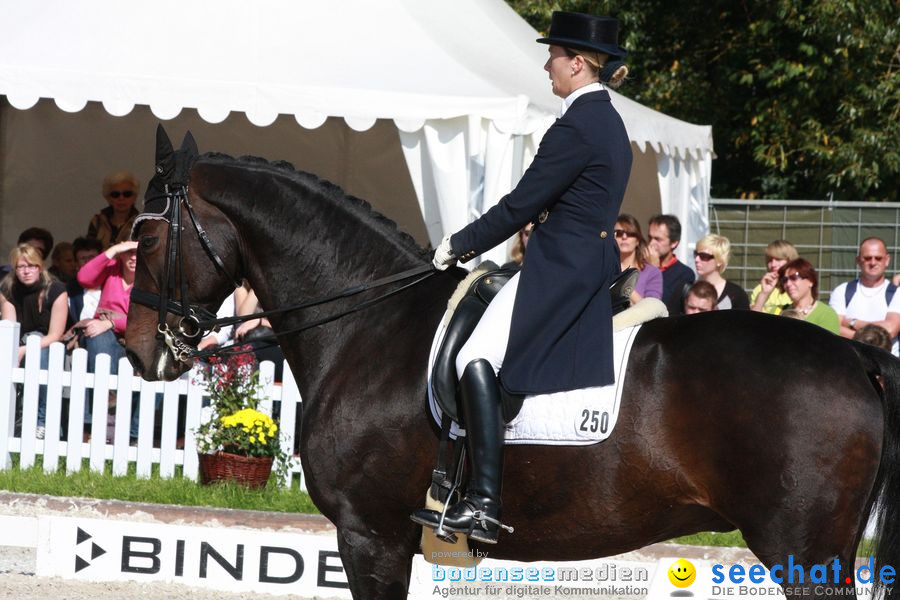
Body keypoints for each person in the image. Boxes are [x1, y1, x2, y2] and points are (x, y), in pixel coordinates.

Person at [411, 11, 631, 544]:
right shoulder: (609, 119)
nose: (546, 65)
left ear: (577, 63)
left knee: (473, 357)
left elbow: (519, 207)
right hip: (588, 261)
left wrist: (455, 245)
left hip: (560, 268)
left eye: (553, 55)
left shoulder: (578, 124)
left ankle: (483, 502)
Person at [0, 244, 68, 438]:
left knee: (42, 351)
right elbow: (8, 327)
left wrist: (25, 349)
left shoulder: (56, 289)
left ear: (40, 266)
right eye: (21, 267)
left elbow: (55, 334)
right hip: (19, 340)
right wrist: (18, 348)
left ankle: (42, 421)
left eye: (31, 265)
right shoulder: (7, 289)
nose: (26, 271)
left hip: (47, 343)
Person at [74, 240, 139, 438]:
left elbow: (147, 319)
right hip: (103, 331)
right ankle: (101, 412)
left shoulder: (152, 278)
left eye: (138, 252)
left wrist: (111, 322)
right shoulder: (112, 268)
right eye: (128, 252)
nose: (133, 257)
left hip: (138, 335)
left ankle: (124, 426)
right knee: (96, 336)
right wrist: (114, 250)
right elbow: (84, 278)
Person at [829, 237, 900, 354]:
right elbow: (834, 328)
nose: (873, 262)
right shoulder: (842, 291)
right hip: (852, 364)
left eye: (878, 258)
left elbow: (891, 329)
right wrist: (871, 338)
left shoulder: (897, 293)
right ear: (858, 260)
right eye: (867, 258)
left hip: (887, 366)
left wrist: (852, 323)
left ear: (887, 260)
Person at [647, 214, 695, 316]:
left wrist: (654, 271)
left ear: (674, 243)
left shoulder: (685, 274)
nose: (651, 243)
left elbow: (665, 303)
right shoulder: (640, 266)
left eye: (658, 239)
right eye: (650, 237)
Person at [776, 258, 839, 334]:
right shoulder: (779, 310)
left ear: (811, 281)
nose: (788, 284)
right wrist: (764, 294)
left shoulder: (827, 315)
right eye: (784, 280)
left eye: (794, 277)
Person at [614, 213, 662, 304]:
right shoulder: (605, 269)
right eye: (619, 233)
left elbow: (652, 309)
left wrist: (625, 285)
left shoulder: (652, 273)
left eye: (630, 234)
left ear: (638, 240)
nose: (624, 237)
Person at [694, 234, 750, 310]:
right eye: (696, 254)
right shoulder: (686, 289)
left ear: (719, 261)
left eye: (703, 256)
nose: (697, 260)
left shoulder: (736, 295)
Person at [87, 172, 141, 249]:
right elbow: (89, 250)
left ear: (135, 197)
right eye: (115, 194)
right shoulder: (97, 222)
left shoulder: (141, 223)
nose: (121, 198)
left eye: (127, 194)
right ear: (108, 198)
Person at [750, 240, 798, 314]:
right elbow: (752, 319)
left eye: (778, 259)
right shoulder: (760, 290)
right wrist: (764, 294)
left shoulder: (798, 287)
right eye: (770, 260)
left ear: (790, 261)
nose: (773, 265)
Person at [67, 236, 104, 325]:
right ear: (76, 263)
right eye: (83, 258)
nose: (88, 262)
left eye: (92, 257)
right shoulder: (69, 289)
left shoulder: (113, 283)